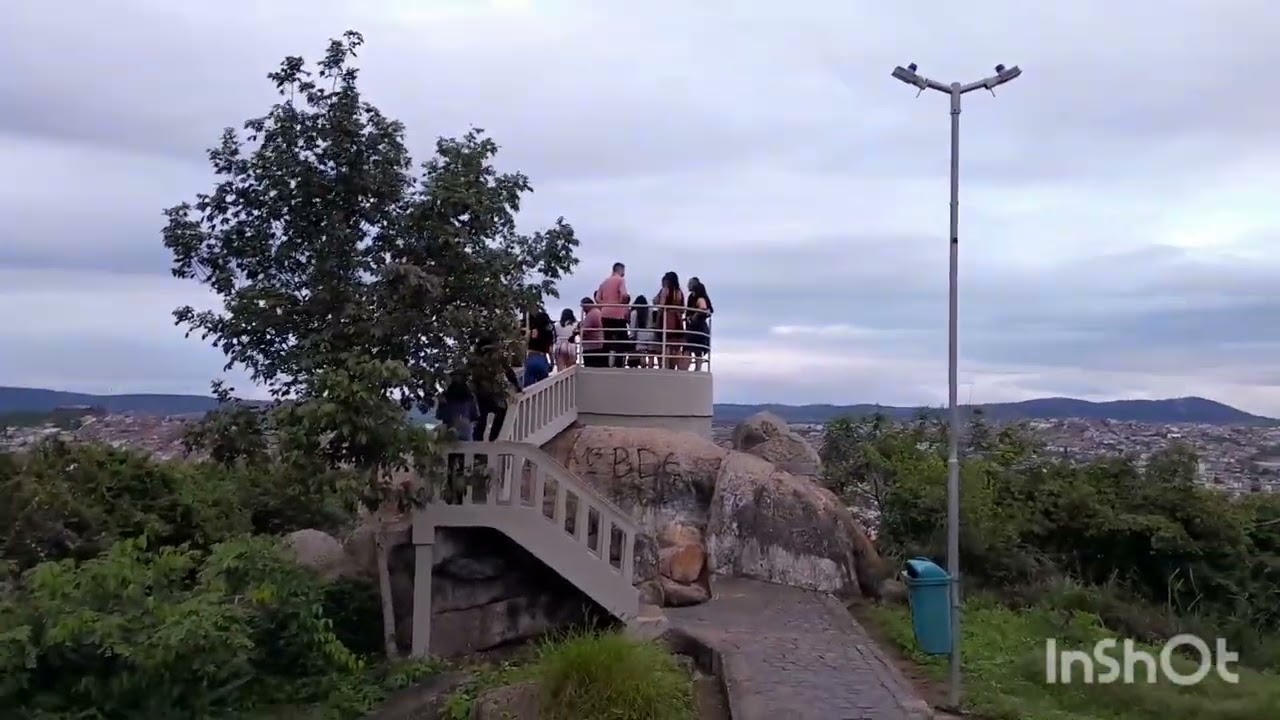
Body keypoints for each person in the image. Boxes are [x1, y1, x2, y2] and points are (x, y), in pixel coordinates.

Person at [468, 335, 521, 441]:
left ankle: (477, 448)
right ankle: (493, 438)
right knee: (501, 410)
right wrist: (516, 385)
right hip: (490, 391)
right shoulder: (496, 355)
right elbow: (508, 371)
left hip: (478, 391)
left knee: (481, 421)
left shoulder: (474, 357)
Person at [595, 262, 631, 368]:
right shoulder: (620, 280)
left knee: (606, 340)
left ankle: (605, 364)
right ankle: (619, 364)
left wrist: (604, 305)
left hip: (604, 314)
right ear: (620, 270)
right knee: (621, 341)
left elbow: (597, 298)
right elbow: (624, 295)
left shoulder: (604, 282)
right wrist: (622, 302)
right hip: (617, 314)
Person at [654, 271, 685, 370]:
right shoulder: (679, 292)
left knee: (666, 344)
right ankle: (674, 367)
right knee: (676, 346)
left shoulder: (665, 290)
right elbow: (682, 308)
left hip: (667, 319)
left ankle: (666, 366)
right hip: (678, 320)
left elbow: (661, 305)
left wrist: (657, 320)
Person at [685, 277, 713, 371]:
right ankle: (696, 368)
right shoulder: (692, 297)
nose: (687, 286)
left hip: (697, 327)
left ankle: (694, 368)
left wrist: (695, 316)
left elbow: (704, 308)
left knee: (692, 349)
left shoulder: (699, 297)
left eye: (689, 284)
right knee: (695, 350)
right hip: (696, 327)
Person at [523, 305, 554, 387]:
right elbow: (550, 351)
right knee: (542, 388)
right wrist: (552, 363)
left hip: (531, 358)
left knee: (528, 388)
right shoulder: (549, 333)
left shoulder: (532, 332)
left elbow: (525, 345)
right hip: (542, 359)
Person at [579, 297, 607, 368]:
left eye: (583, 306)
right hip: (597, 345)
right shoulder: (597, 312)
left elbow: (585, 331)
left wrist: (578, 330)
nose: (583, 309)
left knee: (590, 368)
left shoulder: (592, 314)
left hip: (591, 347)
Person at [629, 295, 655, 368]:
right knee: (651, 356)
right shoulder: (650, 310)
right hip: (651, 333)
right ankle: (651, 369)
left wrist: (632, 336)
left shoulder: (635, 312)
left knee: (642, 356)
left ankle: (643, 369)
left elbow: (633, 327)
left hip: (641, 334)